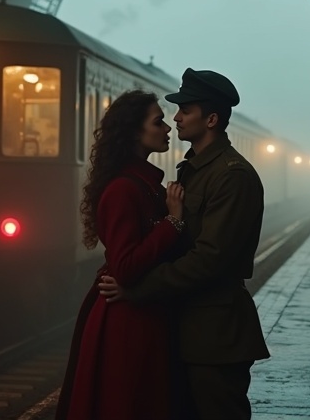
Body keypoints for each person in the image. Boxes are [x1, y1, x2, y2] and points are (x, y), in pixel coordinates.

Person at [99, 68, 271, 420]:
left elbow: (209, 259)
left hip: (215, 336)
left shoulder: (231, 175)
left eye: (184, 110)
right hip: (190, 328)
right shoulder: (195, 170)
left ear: (210, 119)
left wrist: (137, 289)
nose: (175, 118)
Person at [55, 90, 187, 420]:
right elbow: (126, 266)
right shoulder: (123, 190)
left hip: (139, 316)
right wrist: (173, 222)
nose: (167, 128)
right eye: (158, 122)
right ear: (133, 131)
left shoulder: (144, 185)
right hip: (126, 324)